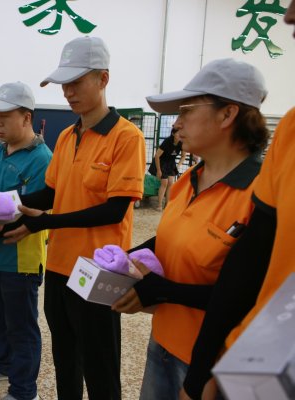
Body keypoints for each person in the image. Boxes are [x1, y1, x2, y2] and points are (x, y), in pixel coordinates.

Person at [111, 58, 269, 400]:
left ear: (227, 115)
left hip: (214, 364)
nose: (177, 124)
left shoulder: (263, 196)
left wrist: (162, 291)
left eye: (186, 111)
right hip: (163, 342)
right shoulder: (188, 180)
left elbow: (246, 297)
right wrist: (124, 259)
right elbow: (170, 239)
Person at [4, 36, 146, 399]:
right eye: (64, 84)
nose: (68, 92)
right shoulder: (67, 136)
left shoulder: (126, 137)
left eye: (76, 82)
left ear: (103, 79)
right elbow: (51, 194)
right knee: (65, 359)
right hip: (59, 267)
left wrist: (45, 222)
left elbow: (115, 209)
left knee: (100, 366)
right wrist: (3, 203)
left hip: (100, 270)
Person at [180, 3, 295, 399]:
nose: (288, 15)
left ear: (228, 115)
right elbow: (247, 269)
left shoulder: (253, 184)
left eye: (187, 110)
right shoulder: (290, 132)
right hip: (251, 366)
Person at [0, 82, 52, 400]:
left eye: (4, 116)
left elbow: (30, 211)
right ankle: (3, 363)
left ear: (26, 117)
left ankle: (24, 390)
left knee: (21, 325)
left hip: (20, 259)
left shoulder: (42, 158)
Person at [149, 126, 187, 211]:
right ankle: (159, 205)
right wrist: (158, 170)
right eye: (178, 133)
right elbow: (157, 156)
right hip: (161, 162)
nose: (180, 135)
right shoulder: (167, 142)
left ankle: (167, 204)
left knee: (171, 183)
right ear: (173, 134)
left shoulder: (182, 143)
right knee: (164, 183)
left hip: (171, 163)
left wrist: (179, 165)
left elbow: (183, 156)